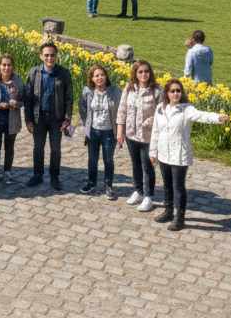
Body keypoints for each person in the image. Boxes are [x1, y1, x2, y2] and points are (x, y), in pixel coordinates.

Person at [145, 80, 230, 231]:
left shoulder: (187, 110)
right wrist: (153, 151)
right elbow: (156, 131)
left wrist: (218, 118)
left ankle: (180, 217)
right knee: (167, 185)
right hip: (164, 154)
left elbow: (203, 116)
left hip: (179, 155)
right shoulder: (160, 108)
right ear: (167, 93)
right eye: (172, 91)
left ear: (182, 92)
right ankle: (168, 211)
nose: (176, 93)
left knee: (178, 187)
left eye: (178, 90)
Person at [24, 42, 73, 191]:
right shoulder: (34, 73)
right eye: (46, 55)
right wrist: (28, 120)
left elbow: (69, 98)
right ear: (41, 56)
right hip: (39, 117)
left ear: (56, 56)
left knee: (56, 149)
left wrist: (67, 119)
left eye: (52, 55)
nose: (49, 58)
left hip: (56, 118)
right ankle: (37, 175)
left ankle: (54, 176)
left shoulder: (64, 73)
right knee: (38, 148)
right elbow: (28, 99)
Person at [117, 60, 161, 212]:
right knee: (136, 164)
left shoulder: (157, 91)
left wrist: (149, 122)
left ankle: (149, 196)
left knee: (147, 166)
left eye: (146, 71)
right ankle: (138, 191)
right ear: (135, 74)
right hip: (131, 134)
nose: (144, 74)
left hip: (149, 136)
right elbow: (122, 110)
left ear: (150, 73)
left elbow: (162, 113)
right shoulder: (129, 89)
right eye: (140, 72)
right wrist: (120, 130)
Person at [78, 64, 121, 199]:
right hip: (93, 131)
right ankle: (91, 182)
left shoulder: (114, 91)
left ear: (106, 76)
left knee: (108, 159)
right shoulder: (87, 91)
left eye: (102, 75)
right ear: (92, 78)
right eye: (96, 75)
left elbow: (121, 110)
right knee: (92, 159)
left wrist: (120, 129)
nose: (99, 78)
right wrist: (86, 124)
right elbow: (81, 106)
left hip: (109, 131)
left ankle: (108, 184)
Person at [0, 53, 24, 184]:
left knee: (9, 146)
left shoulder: (18, 81)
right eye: (4, 65)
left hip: (12, 119)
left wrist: (18, 104)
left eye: (9, 65)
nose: (6, 68)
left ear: (13, 66)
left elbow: (25, 98)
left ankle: (7, 171)